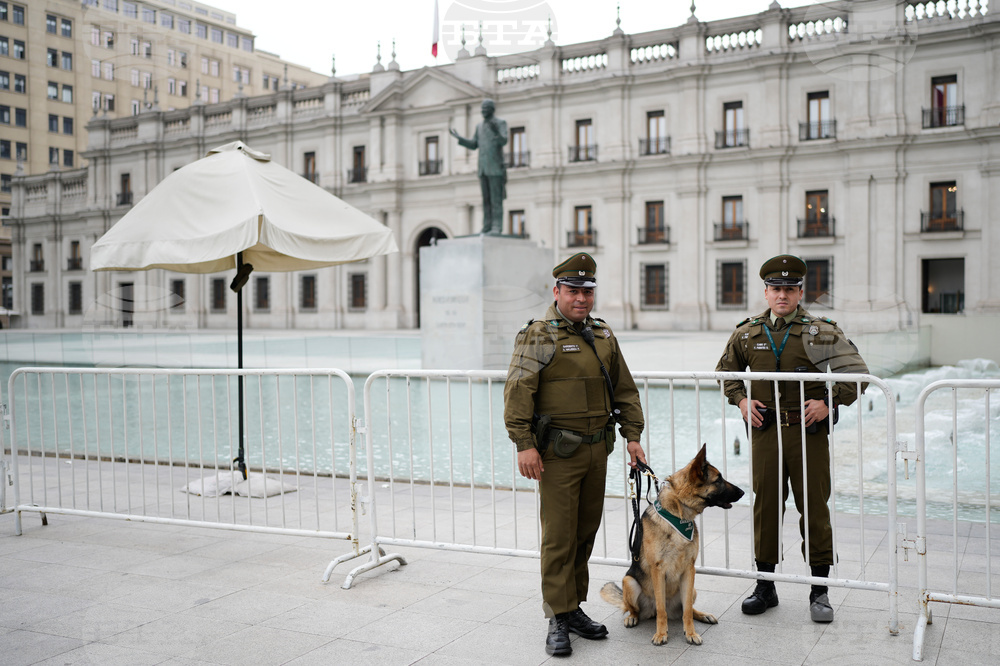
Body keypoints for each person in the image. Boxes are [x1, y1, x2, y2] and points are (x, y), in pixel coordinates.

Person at [503, 252, 647, 656]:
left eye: (587, 291)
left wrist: (632, 435)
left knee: (585, 534)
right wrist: (524, 444)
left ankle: (574, 608)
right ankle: (557, 617)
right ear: (557, 291)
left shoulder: (602, 334)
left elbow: (625, 391)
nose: (581, 298)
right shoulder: (538, 335)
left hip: (596, 450)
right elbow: (518, 393)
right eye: (573, 291)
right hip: (557, 454)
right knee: (559, 539)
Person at [715, 254, 869, 624]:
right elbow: (726, 373)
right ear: (765, 292)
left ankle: (820, 590)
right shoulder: (748, 333)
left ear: (800, 292)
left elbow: (858, 375)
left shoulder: (822, 332)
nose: (782, 295)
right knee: (765, 507)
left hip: (807, 434)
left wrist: (829, 402)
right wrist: (741, 400)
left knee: (814, 508)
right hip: (766, 433)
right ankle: (765, 586)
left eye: (789, 288)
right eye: (775, 288)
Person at [449, 99, 507, 235]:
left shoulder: (500, 123)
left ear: (492, 109)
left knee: (496, 200)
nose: (483, 111)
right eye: (482, 109)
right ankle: (487, 226)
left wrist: (496, 132)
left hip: (495, 167)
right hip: (483, 168)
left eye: (485, 108)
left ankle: (497, 227)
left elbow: (504, 140)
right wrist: (460, 139)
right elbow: (474, 144)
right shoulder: (479, 126)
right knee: (485, 199)